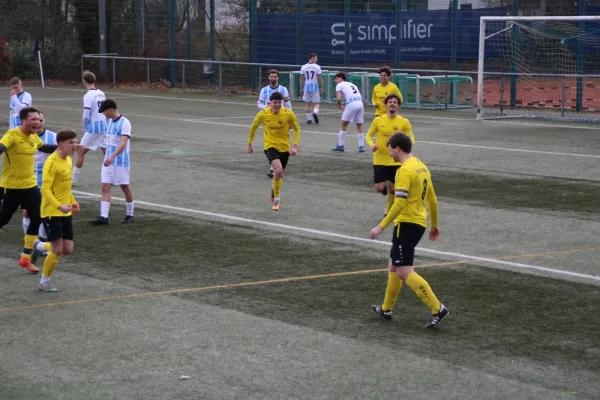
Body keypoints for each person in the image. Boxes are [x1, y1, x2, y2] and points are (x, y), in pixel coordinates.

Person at [369, 132, 448, 329]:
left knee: (404, 272)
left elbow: (399, 204)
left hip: (405, 224)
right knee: (393, 267)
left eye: (389, 148)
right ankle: (386, 309)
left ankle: (437, 308)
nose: (388, 152)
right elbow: (433, 199)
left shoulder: (404, 171)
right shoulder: (421, 167)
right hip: (418, 223)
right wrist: (434, 225)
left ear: (398, 148)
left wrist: (381, 226)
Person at [0, 107, 58, 273]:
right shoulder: (11, 135)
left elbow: (44, 147)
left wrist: (62, 146)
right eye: (33, 119)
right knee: (3, 220)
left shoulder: (33, 137)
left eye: (39, 120)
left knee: (38, 217)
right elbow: (2, 147)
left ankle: (26, 258)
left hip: (30, 186)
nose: (37, 123)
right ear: (23, 121)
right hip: (10, 187)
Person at [30, 129, 80, 292]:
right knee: (57, 249)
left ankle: (39, 245)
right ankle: (44, 281)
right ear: (60, 144)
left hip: (65, 211)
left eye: (76, 142)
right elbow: (45, 190)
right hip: (52, 211)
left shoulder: (68, 161)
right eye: (71, 143)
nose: (75, 146)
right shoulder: (51, 162)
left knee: (68, 250)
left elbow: (65, 187)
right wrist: (59, 206)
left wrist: (73, 202)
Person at [247, 92, 300, 211]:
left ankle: (273, 190)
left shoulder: (288, 114)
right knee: (278, 170)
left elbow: (297, 128)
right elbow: (253, 127)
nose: (277, 104)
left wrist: (295, 146)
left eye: (279, 102)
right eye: (274, 102)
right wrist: (249, 143)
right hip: (270, 146)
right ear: (270, 103)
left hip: (284, 147)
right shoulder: (263, 114)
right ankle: (277, 198)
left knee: (279, 174)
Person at [365, 94, 414, 214]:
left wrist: (405, 148)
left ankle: (388, 209)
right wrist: (372, 145)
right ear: (386, 105)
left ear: (398, 106)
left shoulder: (404, 122)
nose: (392, 103)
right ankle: (383, 188)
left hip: (396, 160)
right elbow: (368, 135)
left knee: (394, 190)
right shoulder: (378, 120)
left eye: (395, 102)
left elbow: (411, 138)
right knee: (379, 188)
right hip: (380, 159)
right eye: (390, 102)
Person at [89, 99, 135, 225]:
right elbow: (108, 142)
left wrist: (112, 157)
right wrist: (107, 156)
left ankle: (130, 214)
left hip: (120, 162)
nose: (104, 114)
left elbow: (123, 143)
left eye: (104, 112)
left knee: (124, 187)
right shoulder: (109, 122)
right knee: (105, 186)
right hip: (108, 161)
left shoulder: (125, 123)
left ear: (110, 110)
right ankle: (104, 217)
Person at [22, 110, 57, 255]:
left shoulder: (53, 137)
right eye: (36, 120)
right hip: (29, 179)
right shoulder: (26, 137)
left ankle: (41, 243)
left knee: (44, 212)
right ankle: (29, 243)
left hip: (47, 180)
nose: (39, 123)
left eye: (41, 120)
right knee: (27, 213)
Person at [72, 70, 107, 183]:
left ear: (84, 81)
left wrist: (85, 127)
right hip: (104, 126)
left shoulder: (88, 96)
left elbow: (86, 116)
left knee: (81, 151)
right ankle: (112, 177)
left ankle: (73, 179)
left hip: (94, 127)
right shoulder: (101, 93)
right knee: (107, 152)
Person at [258, 69, 293, 178]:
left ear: (278, 78)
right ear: (269, 78)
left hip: (282, 120)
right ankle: (273, 167)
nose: (273, 78)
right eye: (271, 76)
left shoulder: (283, 89)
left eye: (275, 76)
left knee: (280, 142)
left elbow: (288, 104)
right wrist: (266, 107)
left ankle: (275, 167)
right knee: (271, 142)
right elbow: (259, 103)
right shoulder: (264, 90)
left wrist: (291, 119)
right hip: (269, 120)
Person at [331, 72, 365, 153]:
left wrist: (340, 107)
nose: (336, 81)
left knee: (344, 124)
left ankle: (340, 145)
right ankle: (361, 146)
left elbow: (339, 99)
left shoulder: (339, 85)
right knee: (359, 125)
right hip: (360, 103)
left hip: (351, 103)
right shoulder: (351, 84)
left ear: (340, 78)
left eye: (336, 78)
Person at [299, 53, 323, 124]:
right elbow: (319, 78)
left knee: (307, 104)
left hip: (306, 86)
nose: (317, 59)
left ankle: (309, 119)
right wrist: (321, 87)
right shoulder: (317, 67)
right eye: (316, 58)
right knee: (316, 103)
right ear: (312, 58)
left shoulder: (303, 67)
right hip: (314, 86)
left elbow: (302, 79)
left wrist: (301, 88)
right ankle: (315, 112)